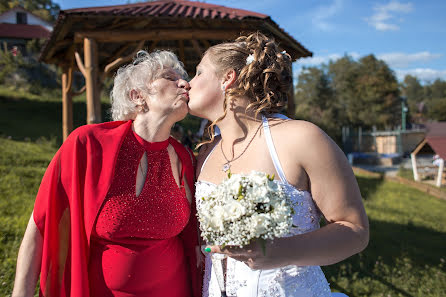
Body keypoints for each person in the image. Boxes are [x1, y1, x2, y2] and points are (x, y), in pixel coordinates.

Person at [188, 32, 369, 297]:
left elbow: (355, 230)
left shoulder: (301, 138)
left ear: (227, 78)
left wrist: (278, 252)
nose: (188, 83)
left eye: (198, 72)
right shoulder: (206, 153)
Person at [12, 50, 202, 297]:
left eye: (183, 78)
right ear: (138, 96)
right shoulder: (88, 144)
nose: (184, 84)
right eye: (169, 77)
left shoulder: (186, 159)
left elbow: (196, 238)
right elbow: (41, 225)